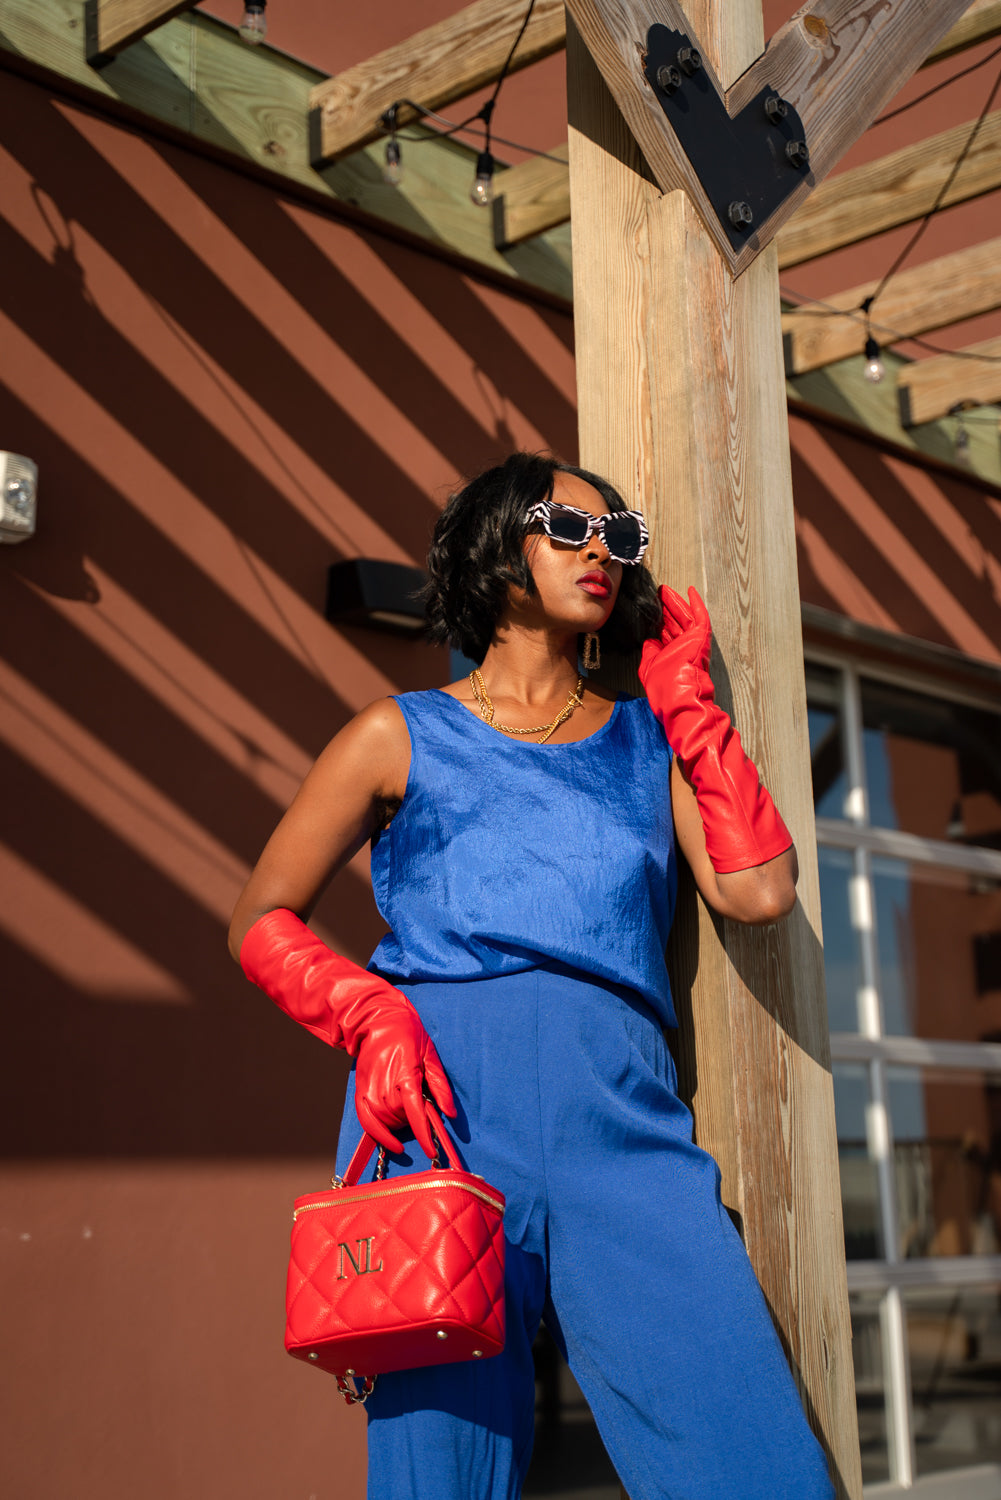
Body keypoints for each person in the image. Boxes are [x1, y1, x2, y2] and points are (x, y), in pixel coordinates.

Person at [228, 452, 835, 1500]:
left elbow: (758, 891)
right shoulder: (395, 734)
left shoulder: (646, 743)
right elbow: (258, 918)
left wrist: (687, 703)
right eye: (569, 526)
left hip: (624, 1124)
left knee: (752, 1465)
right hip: (435, 1120)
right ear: (496, 540)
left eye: (620, 538)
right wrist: (365, 1013)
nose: (601, 551)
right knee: (440, 1478)